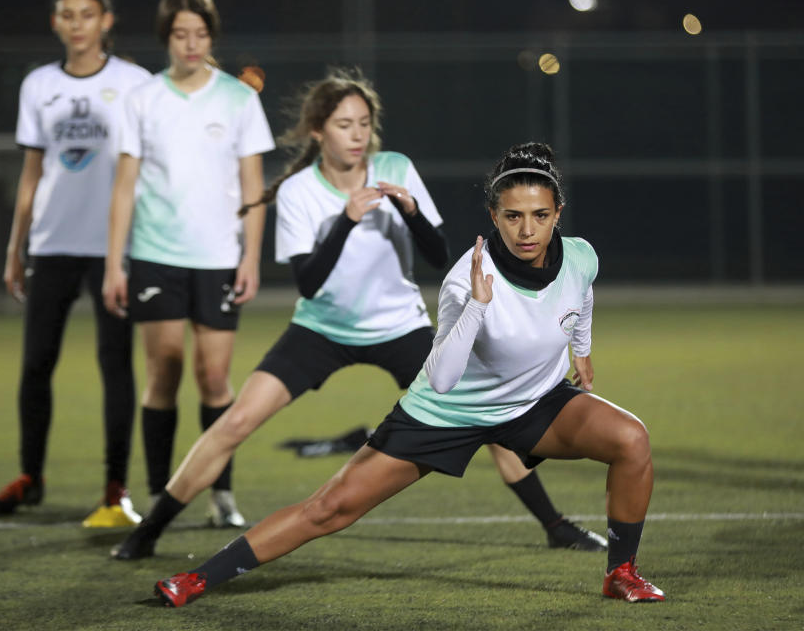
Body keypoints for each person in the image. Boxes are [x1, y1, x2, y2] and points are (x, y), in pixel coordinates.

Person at [110, 72, 605, 561]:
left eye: (364, 123)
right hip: (320, 330)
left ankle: (556, 526)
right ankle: (148, 532)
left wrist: (411, 212)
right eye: (344, 124)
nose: (357, 135)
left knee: (482, 412)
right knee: (236, 420)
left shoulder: (394, 166)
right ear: (318, 131)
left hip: (399, 328)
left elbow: (438, 255)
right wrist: (346, 221)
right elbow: (309, 282)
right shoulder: (301, 190)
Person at [151, 142, 665, 606]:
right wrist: (479, 308)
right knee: (329, 509)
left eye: (539, 215)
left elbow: (582, 296)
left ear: (558, 215)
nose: (526, 230)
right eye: (512, 216)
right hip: (444, 411)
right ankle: (197, 579)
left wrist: (582, 349)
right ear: (493, 215)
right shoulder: (467, 278)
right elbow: (441, 378)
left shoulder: (580, 257)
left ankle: (620, 573)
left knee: (631, 440)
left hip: (532, 404)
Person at [102, 0, 274, 528]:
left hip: (220, 258)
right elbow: (124, 188)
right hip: (154, 256)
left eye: (200, 34)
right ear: (167, 38)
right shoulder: (142, 99)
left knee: (214, 376)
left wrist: (250, 259)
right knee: (164, 373)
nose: (192, 44)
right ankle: (161, 494)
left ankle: (221, 494)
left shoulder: (239, 99)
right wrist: (114, 264)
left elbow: (253, 187)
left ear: (211, 37)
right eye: (181, 34)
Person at [0, 0, 150, 527]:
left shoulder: (134, 82)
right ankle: (30, 476)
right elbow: (33, 173)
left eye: (88, 15)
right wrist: (17, 247)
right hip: (52, 245)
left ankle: (114, 485)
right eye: (67, 15)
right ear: (55, 23)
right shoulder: (39, 84)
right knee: (36, 364)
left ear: (106, 21)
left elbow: (147, 168)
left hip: (114, 250)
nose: (78, 25)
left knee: (115, 365)